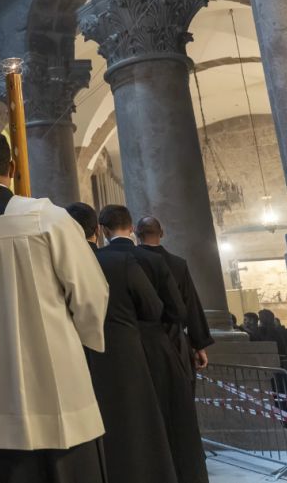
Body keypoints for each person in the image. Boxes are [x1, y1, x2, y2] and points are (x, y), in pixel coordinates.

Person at [0, 131, 109, 483]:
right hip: (48, 376)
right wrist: (85, 341)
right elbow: (90, 293)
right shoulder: (50, 219)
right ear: (12, 167)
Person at [66, 202, 177, 483]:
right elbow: (153, 308)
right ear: (97, 230)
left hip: (76, 357)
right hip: (124, 354)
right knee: (134, 428)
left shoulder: (62, 265)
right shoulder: (118, 262)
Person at [99, 205, 207, 483]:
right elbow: (183, 309)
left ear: (103, 230)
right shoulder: (171, 262)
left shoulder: (102, 259)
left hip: (121, 348)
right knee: (174, 413)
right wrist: (197, 342)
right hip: (165, 344)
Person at [136, 216, 214, 384]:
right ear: (161, 234)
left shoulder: (131, 261)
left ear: (137, 234)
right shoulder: (178, 264)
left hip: (140, 339)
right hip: (174, 338)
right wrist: (199, 344)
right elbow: (190, 303)